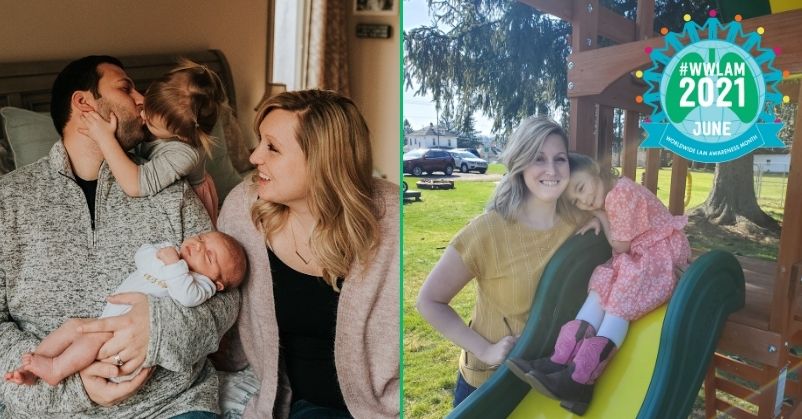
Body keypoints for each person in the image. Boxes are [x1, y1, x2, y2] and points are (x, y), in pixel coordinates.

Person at [0, 55, 239, 418]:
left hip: (169, 404)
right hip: (50, 409)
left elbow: (225, 298)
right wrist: (77, 388)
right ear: (84, 104)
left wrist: (157, 330)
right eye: (126, 88)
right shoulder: (10, 199)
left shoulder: (169, 188)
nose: (143, 100)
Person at [214, 89, 399, 418]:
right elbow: (215, 302)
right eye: (260, 142)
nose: (254, 157)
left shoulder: (394, 221)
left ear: (323, 160)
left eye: (272, 147)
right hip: (301, 405)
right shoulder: (244, 208)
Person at [506, 153, 691, 415]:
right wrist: (600, 214)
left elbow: (620, 245)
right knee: (601, 283)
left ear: (596, 170)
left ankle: (580, 379)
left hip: (660, 254)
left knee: (619, 298)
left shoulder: (620, 194)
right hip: (638, 253)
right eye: (577, 201)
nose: (584, 201)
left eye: (581, 188)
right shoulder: (614, 193)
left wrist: (599, 215)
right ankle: (561, 360)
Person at [416, 116, 578, 406]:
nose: (552, 169)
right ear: (520, 164)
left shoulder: (579, 224)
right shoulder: (487, 230)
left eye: (560, 159)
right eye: (538, 158)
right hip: (490, 386)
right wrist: (486, 349)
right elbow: (429, 301)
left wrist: (602, 219)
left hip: (550, 385)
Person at [6, 231, 247, 387]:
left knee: (92, 339)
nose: (197, 245)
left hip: (124, 347)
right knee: (71, 326)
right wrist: (165, 256)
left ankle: (56, 369)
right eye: (201, 238)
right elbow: (141, 255)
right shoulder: (171, 250)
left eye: (209, 256)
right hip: (109, 318)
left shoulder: (201, 284)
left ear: (218, 283)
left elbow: (186, 296)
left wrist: (173, 263)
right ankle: (31, 368)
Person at [80, 59, 229, 226]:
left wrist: (105, 139)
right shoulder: (164, 118)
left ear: (181, 135)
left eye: (151, 122)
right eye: (146, 107)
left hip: (190, 213)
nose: (142, 116)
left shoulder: (185, 154)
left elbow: (134, 185)